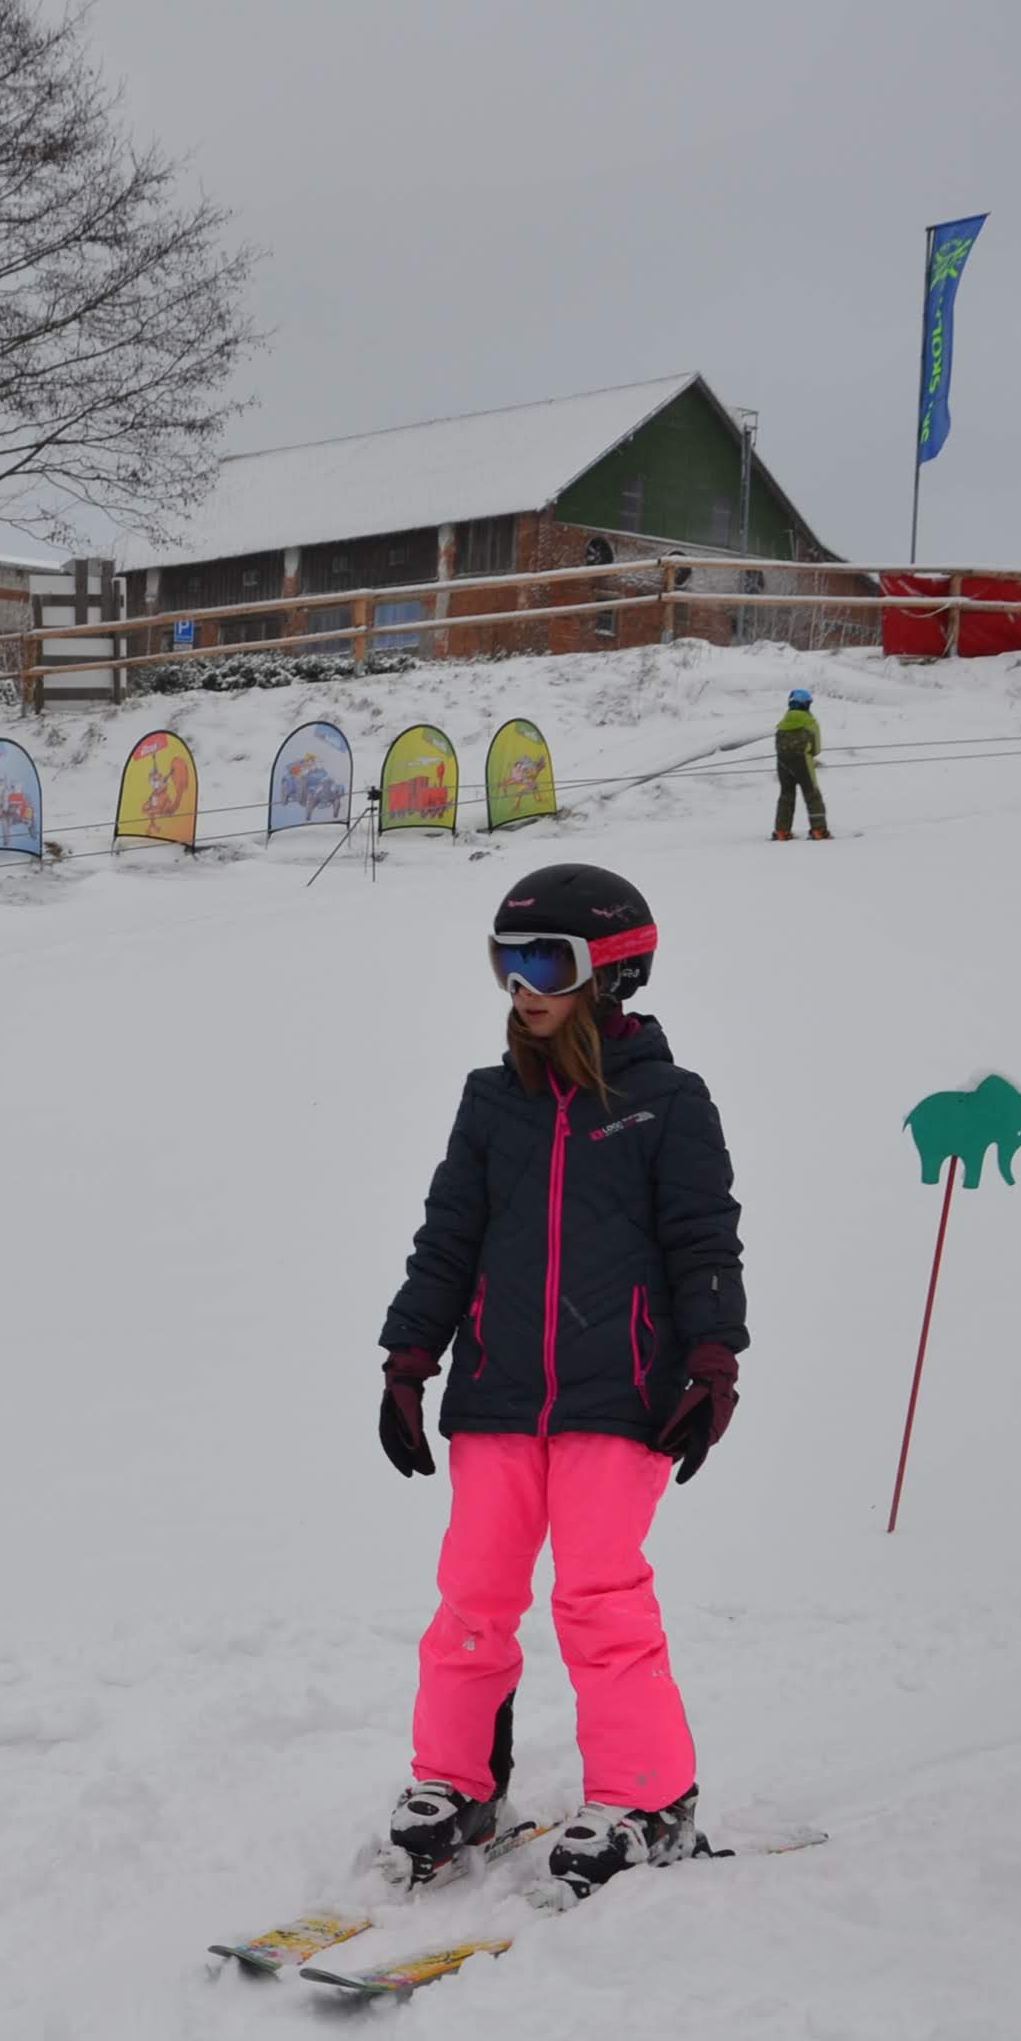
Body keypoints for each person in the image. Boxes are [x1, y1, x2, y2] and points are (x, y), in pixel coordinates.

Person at [373, 863, 745, 1908]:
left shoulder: (668, 1103)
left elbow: (703, 1241)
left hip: (620, 1395)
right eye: (506, 961)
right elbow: (448, 1240)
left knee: (599, 1597)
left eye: (545, 963)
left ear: (612, 972)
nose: (520, 986)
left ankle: (646, 1798)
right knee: (472, 1598)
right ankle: (456, 1784)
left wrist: (714, 1360)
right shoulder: (492, 1102)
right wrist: (408, 1358)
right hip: (498, 1393)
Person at [773, 687, 830, 840]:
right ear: (806, 704)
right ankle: (819, 830)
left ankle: (781, 831)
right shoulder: (810, 722)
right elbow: (816, 749)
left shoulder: (782, 724)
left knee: (786, 795)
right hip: (803, 762)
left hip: (782, 763)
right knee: (812, 795)